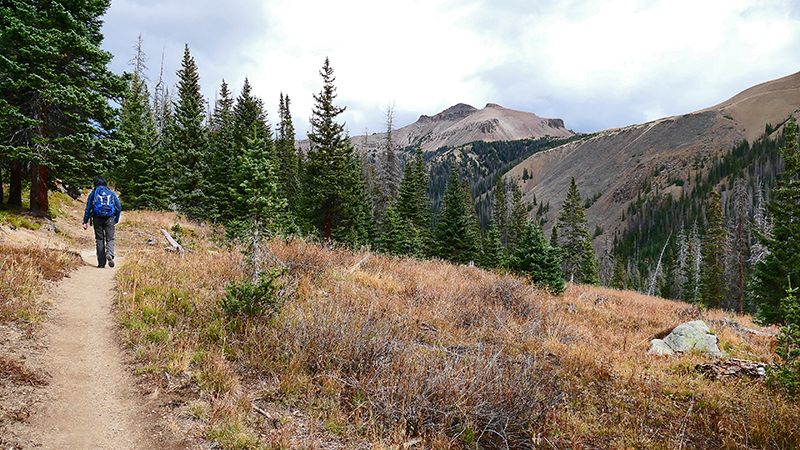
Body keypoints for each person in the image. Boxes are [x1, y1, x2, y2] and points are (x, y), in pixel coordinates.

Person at [82, 176, 121, 268]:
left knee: (99, 240)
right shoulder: (111, 193)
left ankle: (101, 263)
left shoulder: (93, 194)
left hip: (97, 218)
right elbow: (118, 206)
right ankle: (110, 254)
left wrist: (85, 221)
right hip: (110, 218)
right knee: (110, 239)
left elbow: (88, 208)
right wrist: (116, 219)